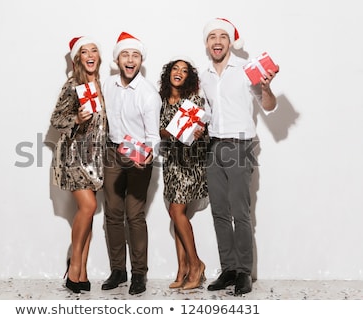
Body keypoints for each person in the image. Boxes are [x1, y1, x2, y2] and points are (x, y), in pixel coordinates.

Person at [200, 18, 278, 295]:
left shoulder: (246, 71)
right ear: (207, 43)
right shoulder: (204, 75)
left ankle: (244, 271)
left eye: (223, 36)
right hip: (214, 146)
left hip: (240, 146)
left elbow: (269, 106)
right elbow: (205, 112)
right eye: (212, 37)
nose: (217, 41)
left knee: (240, 213)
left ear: (230, 41)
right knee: (219, 212)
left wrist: (267, 88)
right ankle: (229, 269)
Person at [101, 31, 162, 295]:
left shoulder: (148, 94)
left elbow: (153, 136)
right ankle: (118, 270)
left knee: (134, 215)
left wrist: (149, 155)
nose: (130, 59)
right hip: (113, 152)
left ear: (140, 61)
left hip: (138, 154)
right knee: (113, 214)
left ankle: (139, 274)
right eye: (125, 54)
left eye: (135, 55)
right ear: (117, 59)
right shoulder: (108, 85)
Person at [50, 36, 107, 294]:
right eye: (85, 51)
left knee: (88, 215)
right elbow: (56, 119)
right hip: (73, 156)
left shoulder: (101, 85)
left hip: (94, 158)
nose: (91, 54)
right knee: (89, 206)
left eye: (94, 50)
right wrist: (76, 117)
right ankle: (73, 268)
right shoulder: (73, 85)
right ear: (78, 59)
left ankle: (82, 272)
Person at [158, 56, 209, 290]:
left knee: (176, 210)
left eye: (184, 70)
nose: (179, 72)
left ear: (189, 77)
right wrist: (166, 133)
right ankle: (183, 269)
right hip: (171, 163)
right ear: (169, 73)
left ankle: (196, 264)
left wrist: (200, 133)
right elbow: (158, 130)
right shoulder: (161, 100)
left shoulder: (194, 99)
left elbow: (204, 131)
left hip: (190, 163)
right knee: (176, 215)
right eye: (175, 68)